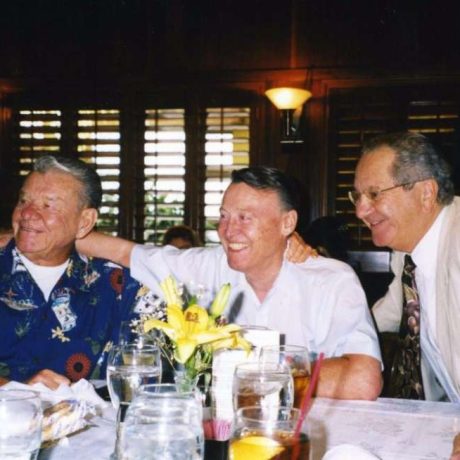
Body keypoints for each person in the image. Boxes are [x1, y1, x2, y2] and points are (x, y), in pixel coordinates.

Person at [78, 166, 382, 400]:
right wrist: (53, 228)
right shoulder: (210, 265)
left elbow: (362, 380)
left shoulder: (330, 280)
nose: (228, 230)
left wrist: (255, 374)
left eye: (244, 218)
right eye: (224, 216)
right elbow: (125, 253)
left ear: (287, 223)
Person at [0, 155, 156, 389]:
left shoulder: (120, 286)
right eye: (23, 201)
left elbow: (151, 373)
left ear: (85, 221)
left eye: (48, 205)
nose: (28, 214)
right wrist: (13, 389)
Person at [351, 131, 460, 402]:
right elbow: (378, 319)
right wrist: (307, 262)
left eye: (374, 194)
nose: (360, 211)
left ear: (426, 193)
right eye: (358, 196)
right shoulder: (408, 255)